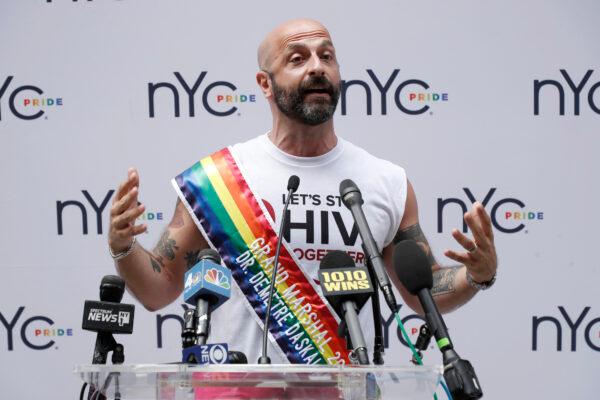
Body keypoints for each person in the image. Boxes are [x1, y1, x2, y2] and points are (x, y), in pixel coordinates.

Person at [108, 19, 497, 363]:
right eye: (297, 59)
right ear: (265, 83)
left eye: (327, 57)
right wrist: (123, 247)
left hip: (345, 391)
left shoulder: (386, 181)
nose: (317, 67)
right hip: (236, 392)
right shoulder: (215, 179)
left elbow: (423, 293)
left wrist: (476, 275)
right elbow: (158, 289)